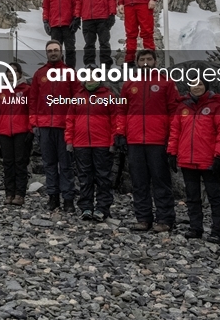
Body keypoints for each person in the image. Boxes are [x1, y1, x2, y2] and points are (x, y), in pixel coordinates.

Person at [121, 49, 179, 232]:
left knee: (161, 180)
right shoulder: (129, 84)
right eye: (142, 59)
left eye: (149, 59)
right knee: (139, 181)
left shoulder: (166, 83)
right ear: (137, 62)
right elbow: (122, 112)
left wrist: (171, 138)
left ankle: (165, 219)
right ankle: (143, 218)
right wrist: (121, 134)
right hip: (135, 140)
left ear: (155, 61)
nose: (145, 62)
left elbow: (174, 111)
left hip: (158, 140)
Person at [168, 80, 220, 243]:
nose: (197, 87)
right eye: (193, 84)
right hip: (187, 159)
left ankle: (218, 230)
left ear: (206, 86)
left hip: (208, 159)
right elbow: (175, 131)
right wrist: (172, 153)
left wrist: (219, 156)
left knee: (214, 196)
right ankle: (196, 228)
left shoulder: (216, 106)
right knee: (192, 196)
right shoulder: (183, 107)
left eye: (200, 84)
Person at [30, 40, 80, 212]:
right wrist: (34, 122)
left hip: (64, 127)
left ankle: (68, 199)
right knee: (49, 164)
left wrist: (73, 123)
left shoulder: (70, 73)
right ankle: (53, 198)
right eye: (50, 50)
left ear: (61, 52)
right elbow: (33, 100)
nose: (53, 53)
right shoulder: (39, 74)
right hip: (44, 127)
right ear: (46, 53)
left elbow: (77, 100)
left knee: (66, 164)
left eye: (56, 50)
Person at [66, 76, 124, 221]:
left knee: (103, 177)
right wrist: (69, 140)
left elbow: (115, 119)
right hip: (81, 143)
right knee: (84, 177)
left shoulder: (108, 96)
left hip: (102, 144)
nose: (90, 80)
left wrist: (113, 142)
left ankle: (102, 208)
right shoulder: (77, 97)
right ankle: (86, 207)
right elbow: (70, 120)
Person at [0, 62, 33, 206]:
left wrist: (31, 129)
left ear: (20, 73)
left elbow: (32, 110)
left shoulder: (26, 90)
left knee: (20, 163)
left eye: (14, 71)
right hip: (4, 131)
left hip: (21, 131)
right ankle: (9, 193)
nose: (11, 74)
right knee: (7, 164)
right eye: (8, 71)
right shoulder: (1, 91)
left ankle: (19, 194)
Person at [75, 0, 118, 68]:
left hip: (103, 18)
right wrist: (77, 16)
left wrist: (112, 14)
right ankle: (90, 64)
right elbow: (79, 0)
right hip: (87, 18)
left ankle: (106, 66)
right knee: (89, 44)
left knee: (104, 43)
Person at [41, 0, 80, 68]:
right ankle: (58, 71)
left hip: (69, 25)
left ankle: (70, 72)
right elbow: (46, 7)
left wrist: (76, 18)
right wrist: (45, 21)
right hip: (54, 26)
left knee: (70, 49)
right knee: (56, 50)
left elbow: (76, 4)